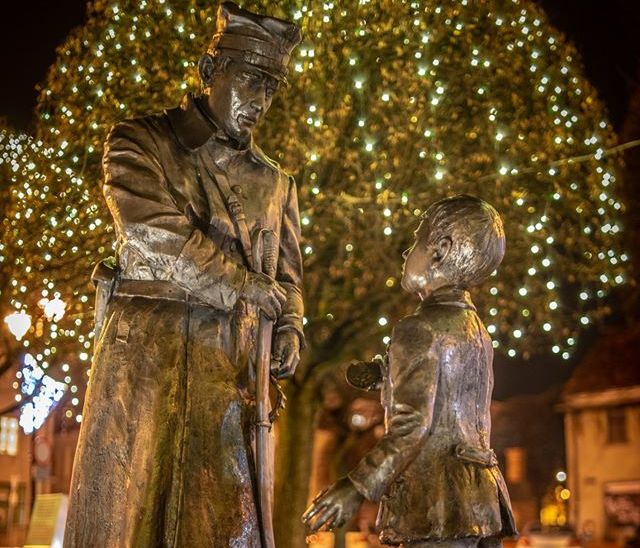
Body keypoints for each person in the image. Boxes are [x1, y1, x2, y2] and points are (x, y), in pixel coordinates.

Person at [64, 3, 303, 547]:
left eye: (271, 88)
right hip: (147, 368)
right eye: (251, 79)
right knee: (136, 519)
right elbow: (154, 232)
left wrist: (290, 328)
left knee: (219, 525)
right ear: (209, 69)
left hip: (228, 372)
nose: (260, 101)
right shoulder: (139, 142)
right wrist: (243, 286)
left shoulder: (277, 184)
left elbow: (288, 277)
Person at [303, 195, 517, 548]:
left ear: (440, 250)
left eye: (416, 241)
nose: (406, 253)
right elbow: (450, 395)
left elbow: (413, 425)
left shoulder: (417, 328)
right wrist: (385, 375)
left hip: (438, 506)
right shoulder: (476, 330)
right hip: (479, 503)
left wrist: (355, 487)